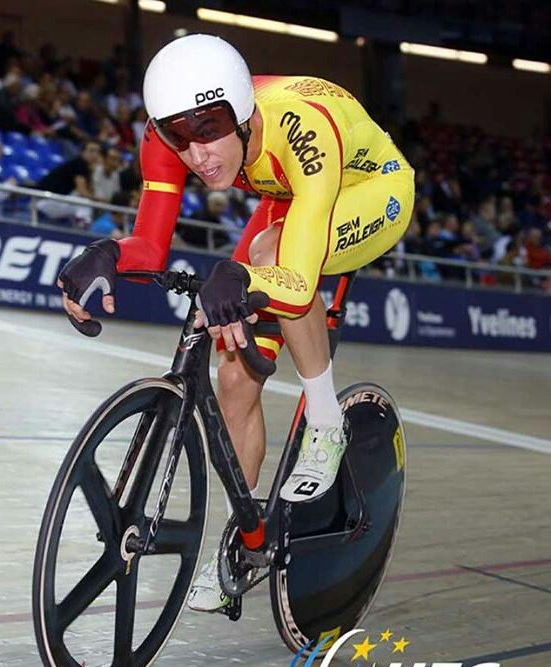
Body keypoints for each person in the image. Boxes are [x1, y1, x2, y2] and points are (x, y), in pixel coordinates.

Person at [55, 34, 414, 612]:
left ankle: (326, 421)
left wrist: (246, 279)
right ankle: (246, 542)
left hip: (367, 190)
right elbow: (150, 242)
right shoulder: (168, 136)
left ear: (245, 116)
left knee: (269, 258)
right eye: (180, 136)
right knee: (233, 379)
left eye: (208, 129)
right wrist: (111, 254)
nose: (196, 154)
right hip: (286, 197)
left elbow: (296, 283)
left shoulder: (304, 128)